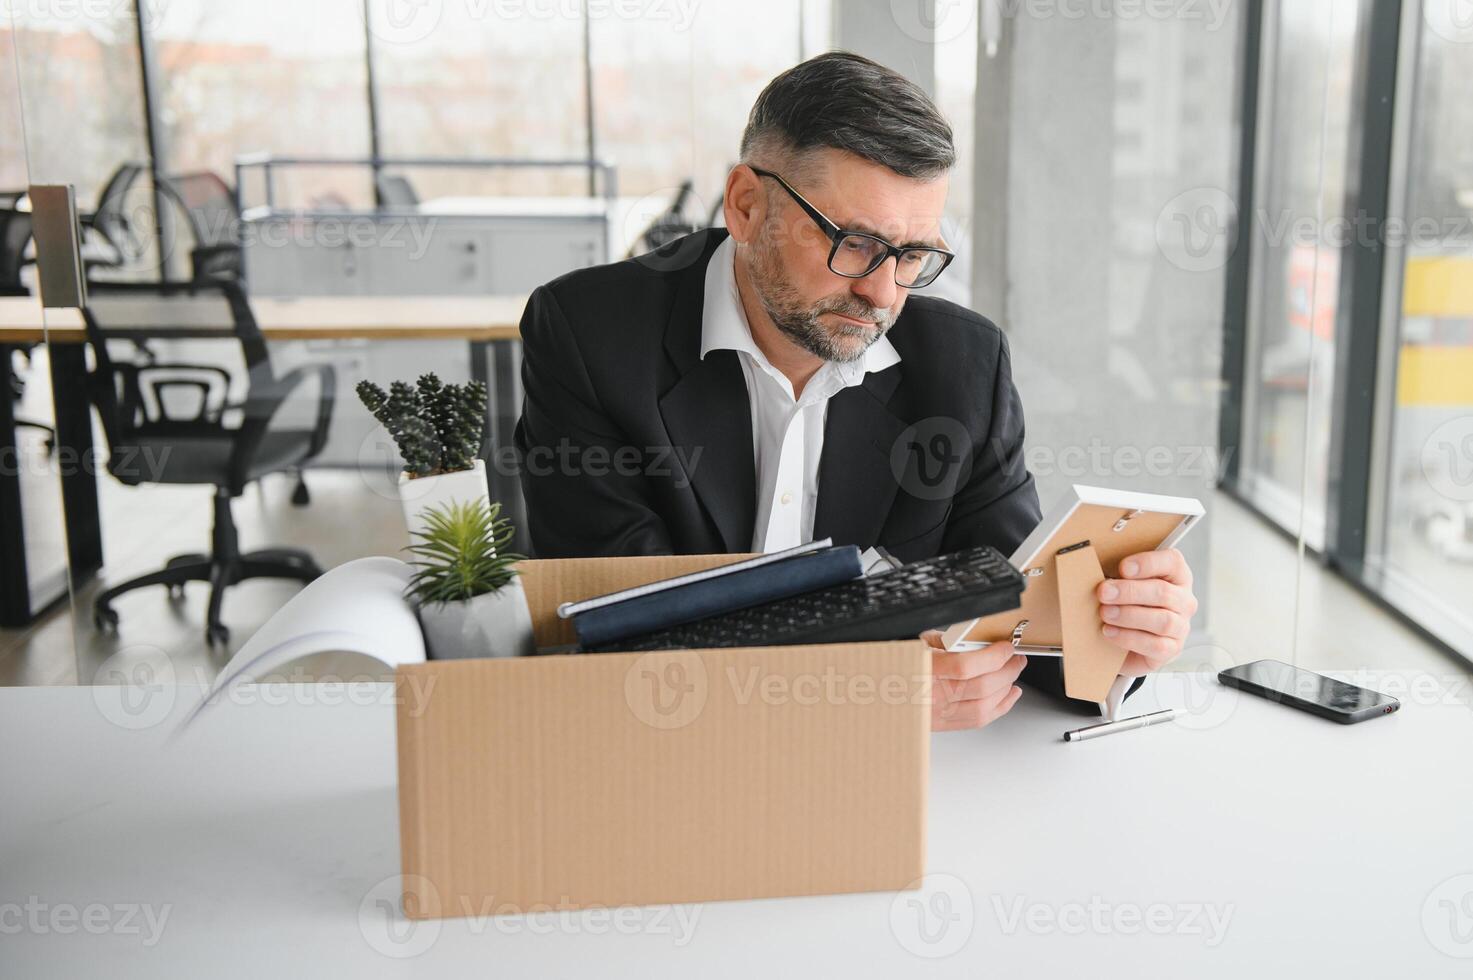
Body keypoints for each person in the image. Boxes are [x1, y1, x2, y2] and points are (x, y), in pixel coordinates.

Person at [515, 52, 1198, 730]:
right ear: (747, 206)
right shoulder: (588, 335)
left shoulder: (963, 365)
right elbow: (623, 635)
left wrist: (1116, 637)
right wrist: (856, 693)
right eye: (854, 242)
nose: (881, 292)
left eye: (911, 255)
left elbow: (1012, 613)